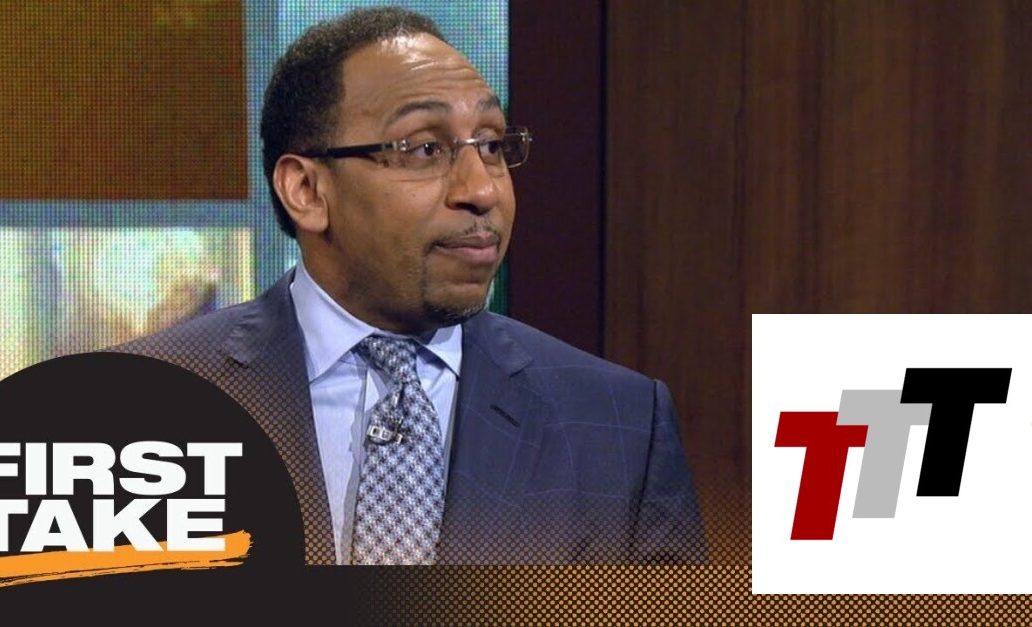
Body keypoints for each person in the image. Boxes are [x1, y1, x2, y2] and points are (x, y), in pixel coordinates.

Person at [117, 5, 705, 566]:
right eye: (425, 149)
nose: (482, 190)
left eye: (492, 145)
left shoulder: (621, 429)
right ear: (307, 191)